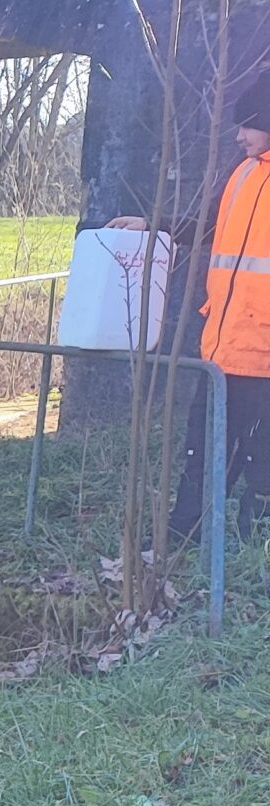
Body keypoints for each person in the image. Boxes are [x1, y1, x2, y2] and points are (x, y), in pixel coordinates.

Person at [110, 74, 270, 536]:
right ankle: (188, 537)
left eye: (248, 125)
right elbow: (207, 231)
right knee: (204, 448)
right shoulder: (242, 175)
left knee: (258, 461)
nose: (238, 135)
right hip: (225, 347)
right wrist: (154, 225)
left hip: (262, 352)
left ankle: (236, 546)